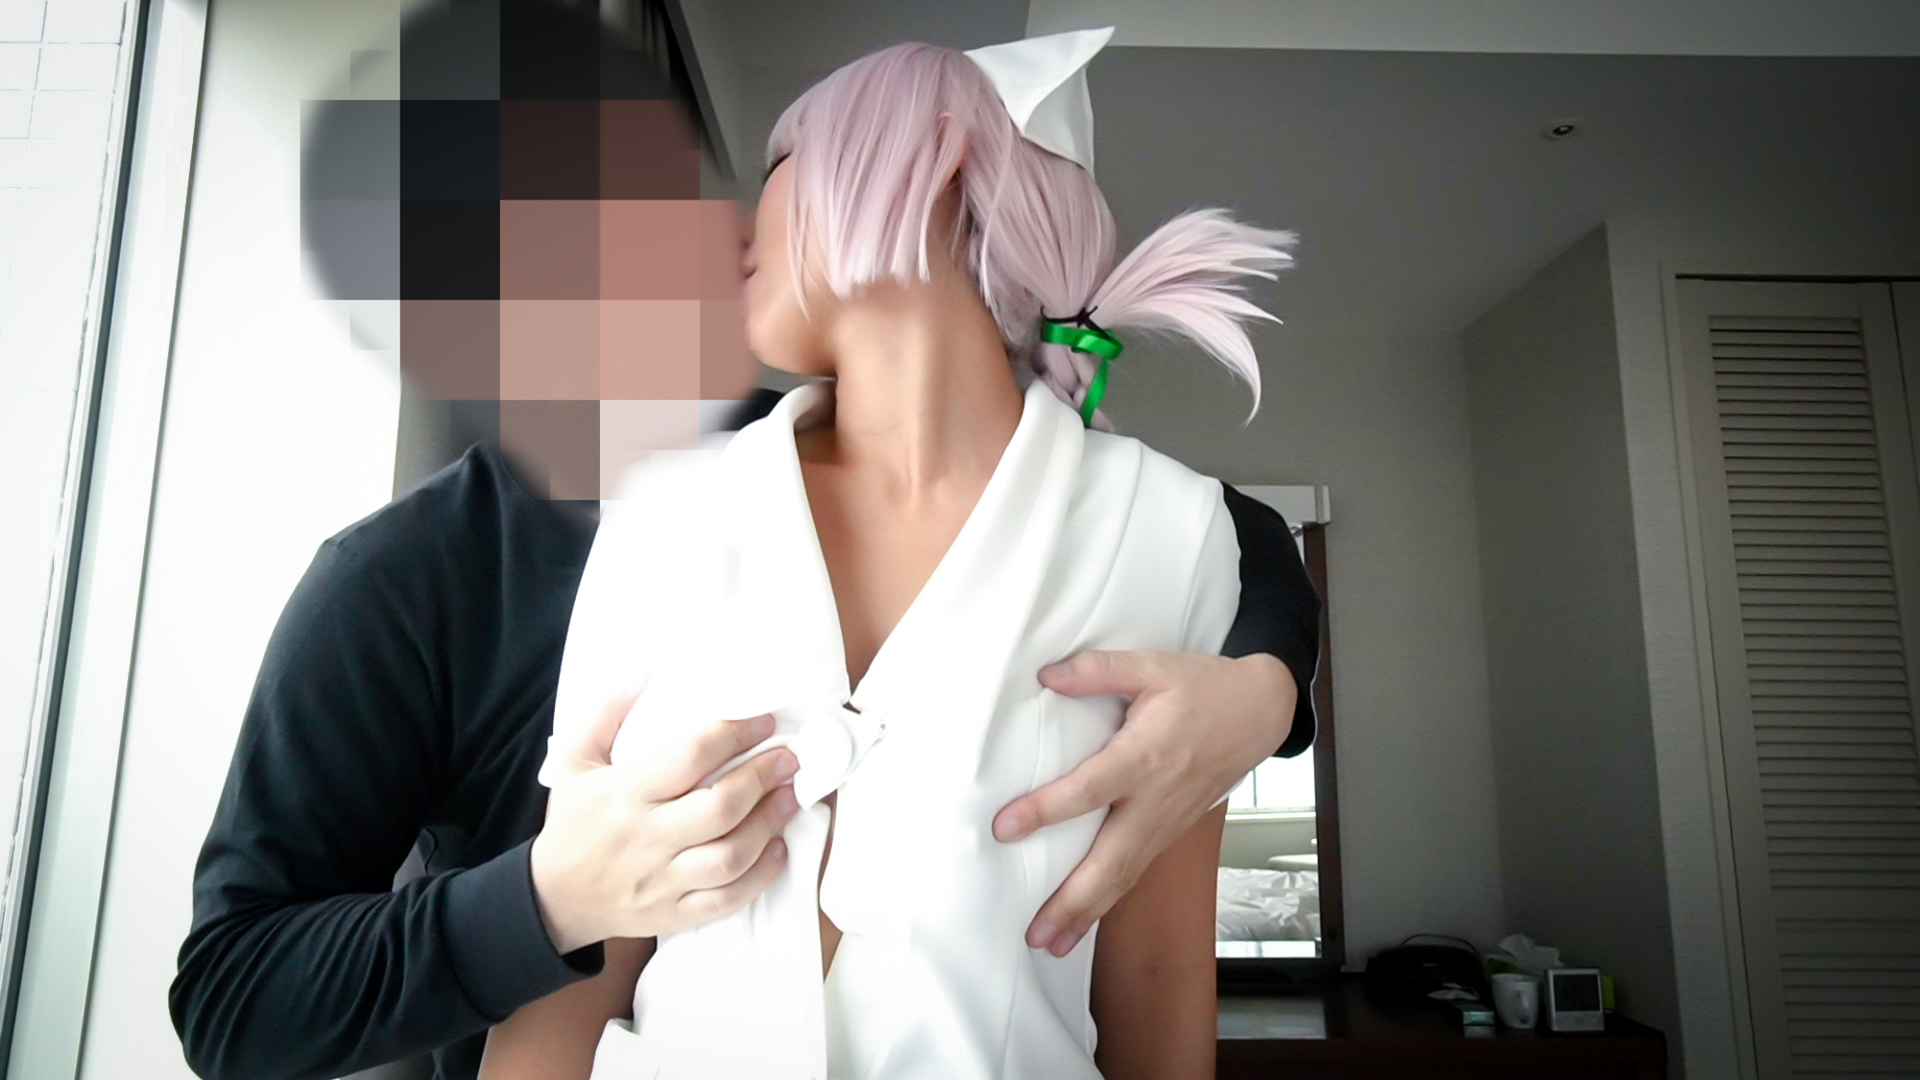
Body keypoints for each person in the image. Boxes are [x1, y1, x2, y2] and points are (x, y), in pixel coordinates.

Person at [170, 8, 1319, 1080]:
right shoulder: (417, 577)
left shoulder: (1124, 519)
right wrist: (547, 901)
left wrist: (1264, 692)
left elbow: (1223, 541)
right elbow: (236, 998)